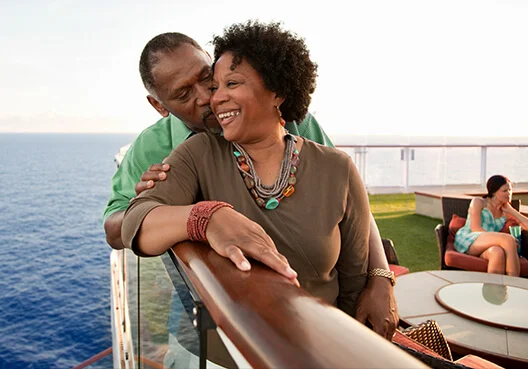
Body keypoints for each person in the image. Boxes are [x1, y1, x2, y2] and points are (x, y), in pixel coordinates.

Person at [103, 30, 397, 338]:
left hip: (317, 329)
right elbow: (117, 226)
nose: (207, 97)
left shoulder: (294, 124)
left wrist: (380, 276)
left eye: (208, 78)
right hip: (208, 315)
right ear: (159, 106)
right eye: (183, 94)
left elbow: (347, 201)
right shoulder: (163, 149)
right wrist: (183, 214)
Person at [454, 175, 528, 276]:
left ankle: (494, 290)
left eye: (510, 190)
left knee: (497, 252)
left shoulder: (506, 211)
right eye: (504, 190)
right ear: (494, 192)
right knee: (508, 240)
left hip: (490, 245)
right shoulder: (478, 202)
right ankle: (513, 284)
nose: (509, 193)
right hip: (470, 239)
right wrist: (500, 239)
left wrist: (512, 210)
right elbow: (476, 229)